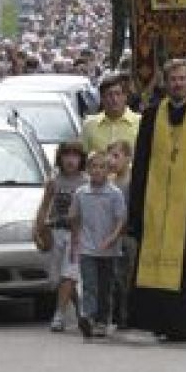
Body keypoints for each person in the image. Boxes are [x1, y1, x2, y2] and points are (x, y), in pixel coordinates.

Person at [125, 59, 186, 342]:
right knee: (153, 265)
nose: (178, 84)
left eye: (182, 79)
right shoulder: (151, 116)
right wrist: (136, 211)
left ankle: (185, 327)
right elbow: (141, 165)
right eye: (173, 80)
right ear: (165, 83)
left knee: (185, 272)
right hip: (154, 206)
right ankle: (159, 323)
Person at [70, 151, 126, 339]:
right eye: (93, 166)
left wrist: (112, 237)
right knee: (89, 284)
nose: (97, 170)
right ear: (87, 170)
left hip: (109, 250)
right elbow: (76, 218)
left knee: (105, 287)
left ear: (108, 171)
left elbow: (120, 220)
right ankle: (88, 317)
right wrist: (75, 241)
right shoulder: (81, 193)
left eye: (102, 167)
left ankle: (103, 320)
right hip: (87, 247)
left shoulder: (114, 194)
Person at [36, 141, 87, 333]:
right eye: (67, 155)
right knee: (58, 278)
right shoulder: (54, 182)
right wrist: (39, 230)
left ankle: (59, 315)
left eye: (75, 155)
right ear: (60, 158)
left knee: (69, 273)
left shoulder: (86, 182)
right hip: (56, 232)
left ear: (81, 159)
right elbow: (44, 207)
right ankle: (80, 307)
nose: (71, 160)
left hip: (76, 235)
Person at [107, 140, 136, 329]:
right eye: (109, 155)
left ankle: (126, 315)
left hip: (127, 235)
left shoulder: (131, 181)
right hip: (111, 236)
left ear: (127, 157)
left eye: (116, 156)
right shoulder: (109, 182)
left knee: (127, 278)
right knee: (115, 277)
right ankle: (116, 314)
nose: (111, 160)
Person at [80, 73, 141, 156]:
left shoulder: (140, 123)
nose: (114, 99)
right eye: (109, 95)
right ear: (102, 98)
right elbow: (83, 156)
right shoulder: (90, 125)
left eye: (118, 94)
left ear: (125, 96)